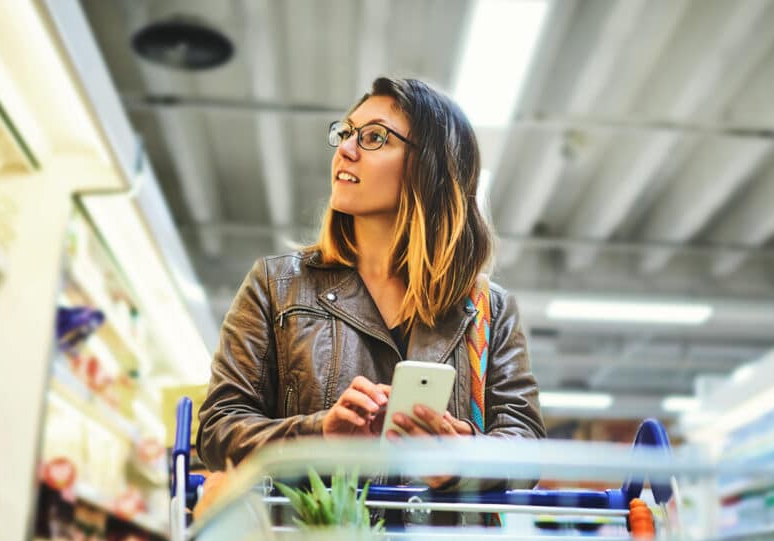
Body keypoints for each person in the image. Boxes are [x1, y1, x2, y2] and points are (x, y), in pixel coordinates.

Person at [196, 75, 545, 487]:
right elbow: (217, 430)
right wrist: (318, 435)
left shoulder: (489, 308)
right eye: (346, 133)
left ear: (431, 167)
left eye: (375, 137)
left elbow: (527, 449)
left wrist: (463, 455)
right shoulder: (277, 286)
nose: (345, 149)